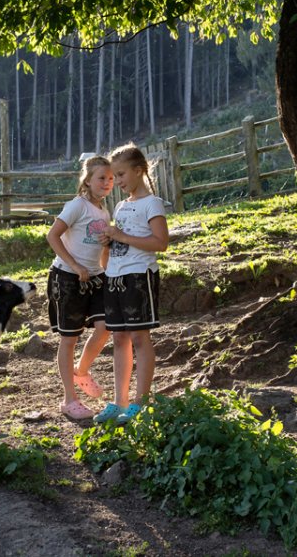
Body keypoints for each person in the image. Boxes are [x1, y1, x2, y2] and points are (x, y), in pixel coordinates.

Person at [94, 143, 169, 424]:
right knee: (119, 339)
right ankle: (119, 401)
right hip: (114, 277)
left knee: (139, 337)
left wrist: (121, 237)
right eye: (115, 176)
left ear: (139, 171)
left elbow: (161, 242)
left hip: (139, 276)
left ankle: (140, 401)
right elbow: (114, 249)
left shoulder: (153, 204)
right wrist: (108, 242)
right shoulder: (122, 207)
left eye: (122, 175)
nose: (118, 182)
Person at [46, 155, 115, 420]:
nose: (107, 183)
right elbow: (52, 236)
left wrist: (106, 272)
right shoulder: (77, 206)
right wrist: (75, 266)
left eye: (110, 179)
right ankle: (69, 400)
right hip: (67, 278)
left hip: (95, 278)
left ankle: (82, 371)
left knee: (106, 326)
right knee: (69, 338)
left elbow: (102, 249)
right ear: (87, 180)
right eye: (101, 178)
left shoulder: (104, 211)